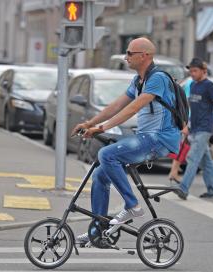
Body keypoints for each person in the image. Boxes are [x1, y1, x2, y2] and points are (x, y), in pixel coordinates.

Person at [71, 37, 180, 244]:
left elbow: (133, 108)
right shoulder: (138, 80)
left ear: (145, 56)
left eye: (130, 53)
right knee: (100, 176)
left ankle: (131, 206)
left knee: (106, 154)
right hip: (145, 137)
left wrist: (101, 128)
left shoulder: (158, 78)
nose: (125, 57)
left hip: (160, 139)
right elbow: (117, 105)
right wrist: (90, 123)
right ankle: (98, 230)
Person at [173, 58, 213, 200]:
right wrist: (187, 125)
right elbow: (193, 109)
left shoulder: (209, 85)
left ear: (203, 71)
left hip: (204, 128)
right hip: (194, 128)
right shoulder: (193, 86)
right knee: (206, 161)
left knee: (192, 157)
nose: (191, 73)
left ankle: (183, 188)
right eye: (190, 71)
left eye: (194, 71)